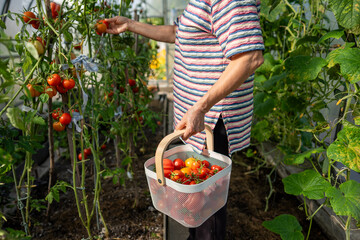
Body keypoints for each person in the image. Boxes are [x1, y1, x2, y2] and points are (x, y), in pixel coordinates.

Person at [106, 0, 264, 239]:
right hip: (199, 116)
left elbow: (250, 57)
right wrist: (130, 25)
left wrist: (200, 107)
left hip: (212, 117)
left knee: (206, 200)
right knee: (195, 197)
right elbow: (177, 32)